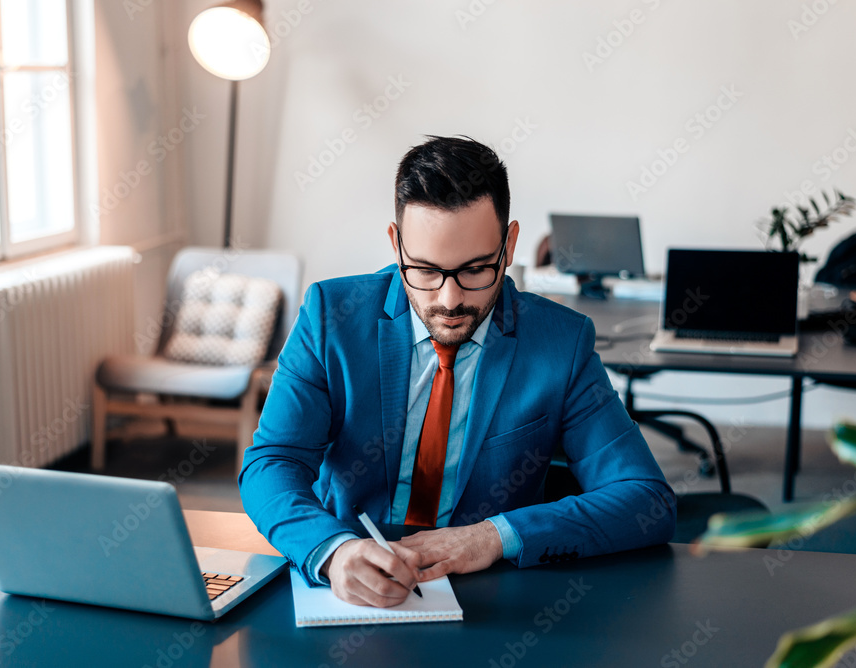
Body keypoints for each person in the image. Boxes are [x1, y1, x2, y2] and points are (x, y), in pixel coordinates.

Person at [239, 135, 675, 608]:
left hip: (492, 597)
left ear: (508, 246)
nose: (448, 300)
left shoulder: (561, 343)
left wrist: (492, 536)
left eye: (474, 270)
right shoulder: (331, 318)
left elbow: (645, 499)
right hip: (348, 583)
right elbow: (271, 463)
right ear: (395, 242)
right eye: (424, 270)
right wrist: (332, 550)